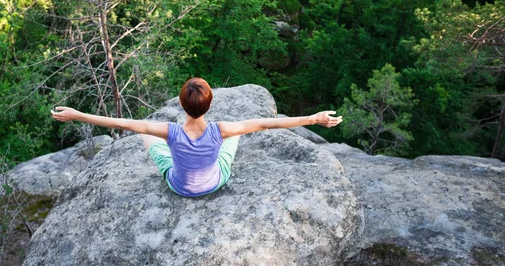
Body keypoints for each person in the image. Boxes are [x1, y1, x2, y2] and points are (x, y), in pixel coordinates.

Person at [51, 77, 342, 197]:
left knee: (145, 135)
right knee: (237, 134)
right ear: (209, 103)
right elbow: (267, 123)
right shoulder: (220, 130)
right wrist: (315, 118)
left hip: (178, 186)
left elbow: (122, 122)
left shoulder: (170, 131)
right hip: (215, 182)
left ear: (181, 104)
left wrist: (77, 114)